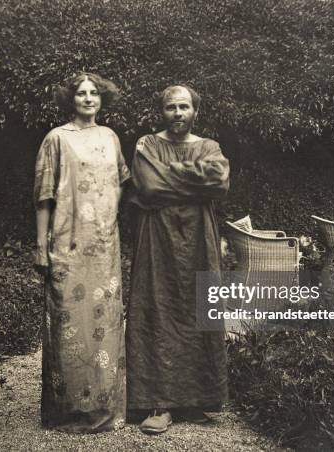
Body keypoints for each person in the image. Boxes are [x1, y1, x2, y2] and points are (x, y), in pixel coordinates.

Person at [126, 85, 230, 434]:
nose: (178, 113)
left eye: (184, 106)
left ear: (195, 111)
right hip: (157, 235)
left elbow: (219, 183)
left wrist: (171, 174)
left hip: (200, 237)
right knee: (159, 305)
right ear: (162, 112)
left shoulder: (210, 147)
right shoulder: (147, 144)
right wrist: (194, 179)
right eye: (171, 107)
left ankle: (196, 399)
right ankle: (160, 402)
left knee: (197, 306)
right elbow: (150, 187)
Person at [33, 73, 130, 433]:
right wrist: (41, 246)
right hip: (67, 244)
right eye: (81, 93)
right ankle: (69, 411)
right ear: (70, 99)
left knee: (104, 325)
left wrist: (106, 217)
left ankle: (105, 408)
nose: (88, 98)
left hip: (104, 247)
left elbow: (120, 182)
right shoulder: (56, 139)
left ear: (102, 99)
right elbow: (43, 196)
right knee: (68, 322)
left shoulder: (110, 137)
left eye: (94, 93)